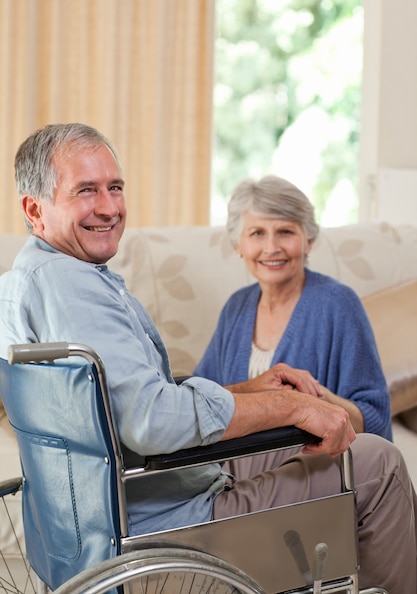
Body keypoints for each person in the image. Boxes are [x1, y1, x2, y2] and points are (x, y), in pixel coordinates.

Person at [0, 123, 415, 593]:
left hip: (119, 500)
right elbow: (154, 419)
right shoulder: (73, 285)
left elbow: (129, 405)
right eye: (86, 191)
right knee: (377, 463)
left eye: (115, 187)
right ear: (35, 210)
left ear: (309, 239)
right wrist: (293, 407)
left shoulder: (25, 280)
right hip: (161, 511)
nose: (109, 206)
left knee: (351, 447)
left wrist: (253, 391)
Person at [194, 175, 392, 440]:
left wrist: (311, 397)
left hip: (313, 468)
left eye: (285, 232)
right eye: (257, 233)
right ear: (238, 245)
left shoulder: (340, 305)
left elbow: (374, 421)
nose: (272, 248)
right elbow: (201, 399)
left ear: (308, 240)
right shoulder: (236, 308)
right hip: (234, 469)